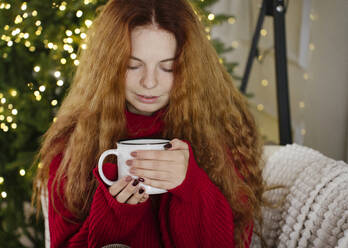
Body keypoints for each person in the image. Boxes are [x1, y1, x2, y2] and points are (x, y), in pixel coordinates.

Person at [33, 0, 266, 247]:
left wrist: (190, 185)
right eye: (133, 65)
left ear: (189, 68)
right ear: (108, 65)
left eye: (168, 68)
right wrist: (117, 212)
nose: (149, 82)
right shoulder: (72, 142)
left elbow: (233, 241)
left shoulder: (221, 130)